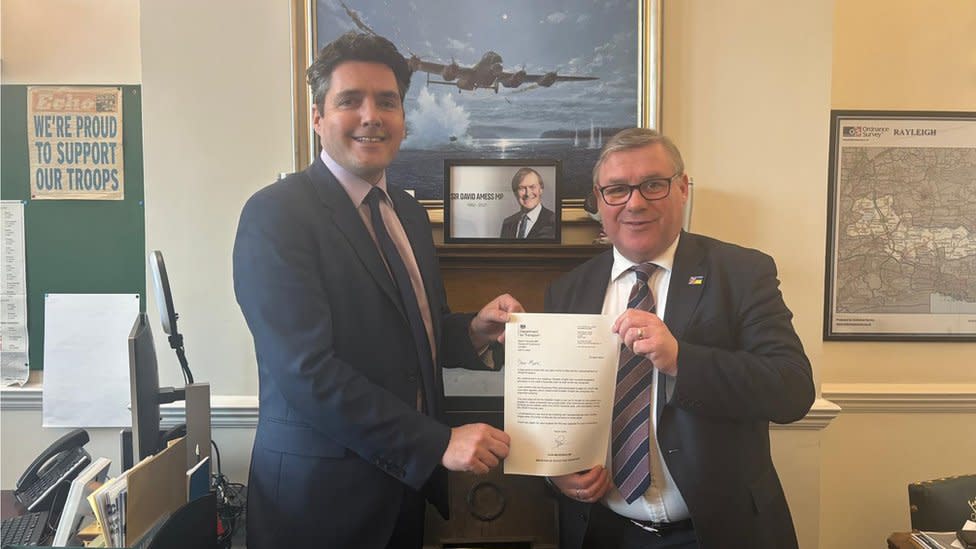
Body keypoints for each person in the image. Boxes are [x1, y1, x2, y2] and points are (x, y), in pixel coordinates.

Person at [233, 32, 521, 549]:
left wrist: (473, 330)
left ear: (404, 119)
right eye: (350, 101)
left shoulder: (407, 213)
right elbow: (307, 372)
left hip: (402, 493)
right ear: (317, 117)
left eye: (387, 102)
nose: (372, 115)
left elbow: (414, 334)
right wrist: (438, 442)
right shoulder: (276, 214)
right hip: (317, 508)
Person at [544, 128, 814, 549]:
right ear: (598, 200)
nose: (635, 203)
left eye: (653, 185)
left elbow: (793, 389)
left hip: (719, 534)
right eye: (617, 190)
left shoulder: (740, 272)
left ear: (683, 188)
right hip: (604, 532)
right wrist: (556, 470)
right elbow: (553, 411)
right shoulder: (568, 291)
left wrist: (681, 360)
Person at [499, 167, 556, 239]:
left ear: (541, 189)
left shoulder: (554, 221)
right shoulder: (508, 223)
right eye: (522, 188)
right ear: (515, 193)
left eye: (532, 187)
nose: (528, 193)